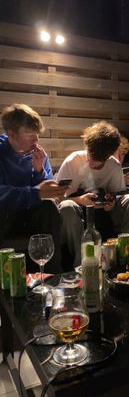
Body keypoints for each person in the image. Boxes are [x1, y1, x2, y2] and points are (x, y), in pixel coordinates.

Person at [56, 121, 129, 267]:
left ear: (109, 155)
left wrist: (111, 202)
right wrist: (80, 200)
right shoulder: (73, 161)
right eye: (90, 155)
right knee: (66, 206)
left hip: (104, 213)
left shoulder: (114, 165)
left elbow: (116, 195)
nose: (92, 162)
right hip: (78, 211)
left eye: (98, 161)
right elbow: (58, 199)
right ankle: (82, 263)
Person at [0, 103, 69, 273]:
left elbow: (47, 190)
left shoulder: (37, 153)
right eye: (31, 134)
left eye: (37, 135)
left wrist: (39, 171)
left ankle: (52, 277)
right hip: (5, 217)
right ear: (11, 134)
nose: (36, 140)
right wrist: (35, 192)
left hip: (29, 215)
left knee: (49, 207)